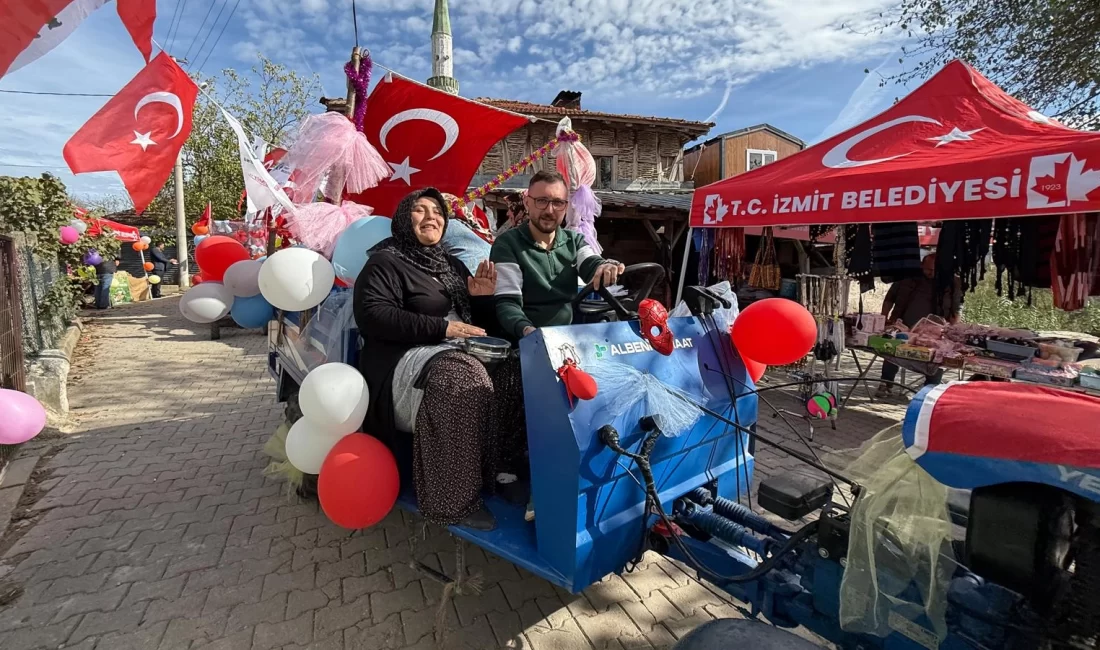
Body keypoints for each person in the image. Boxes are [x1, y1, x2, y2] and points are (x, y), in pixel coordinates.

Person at [353, 188, 526, 531]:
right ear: (404, 219)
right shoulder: (385, 262)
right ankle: (451, 499)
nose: (432, 216)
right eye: (420, 210)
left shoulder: (452, 264)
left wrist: (480, 301)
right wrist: (443, 329)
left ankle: (497, 469)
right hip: (401, 362)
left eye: (438, 211)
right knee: (461, 376)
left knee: (515, 366)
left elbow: (476, 328)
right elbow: (372, 316)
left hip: (452, 352)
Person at [490, 170, 625, 341]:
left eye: (558, 203)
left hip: (566, 340)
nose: (549, 210)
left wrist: (605, 267)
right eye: (541, 201)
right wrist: (528, 331)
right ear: (526, 202)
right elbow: (507, 303)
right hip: (523, 345)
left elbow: (591, 263)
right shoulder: (508, 244)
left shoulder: (574, 241)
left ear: (566, 206)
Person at [876, 252, 962, 398]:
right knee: (891, 351)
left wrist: (950, 331)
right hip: (903, 325)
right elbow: (890, 298)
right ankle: (886, 383)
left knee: (936, 358)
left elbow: (956, 310)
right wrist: (884, 318)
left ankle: (928, 392)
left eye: (935, 270)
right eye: (928, 269)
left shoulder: (952, 282)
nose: (931, 273)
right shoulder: (907, 276)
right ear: (921, 265)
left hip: (934, 332)